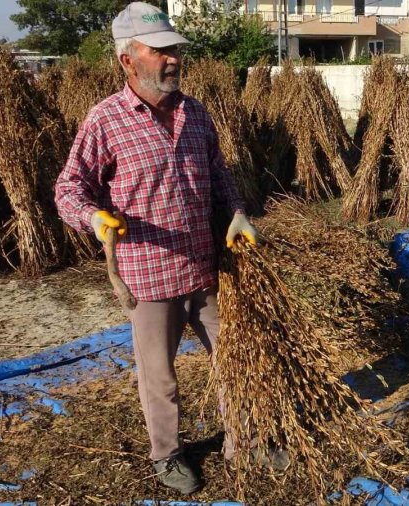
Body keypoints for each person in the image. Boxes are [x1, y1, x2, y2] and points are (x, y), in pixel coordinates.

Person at [54, 2, 264, 495]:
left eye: (176, 51)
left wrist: (237, 215)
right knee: (160, 378)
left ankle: (244, 439)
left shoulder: (196, 113)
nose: (173, 59)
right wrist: (92, 217)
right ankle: (167, 455)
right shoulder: (105, 120)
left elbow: (218, 176)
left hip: (207, 268)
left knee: (233, 361)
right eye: (160, 50)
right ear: (127, 59)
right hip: (148, 277)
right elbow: (68, 189)